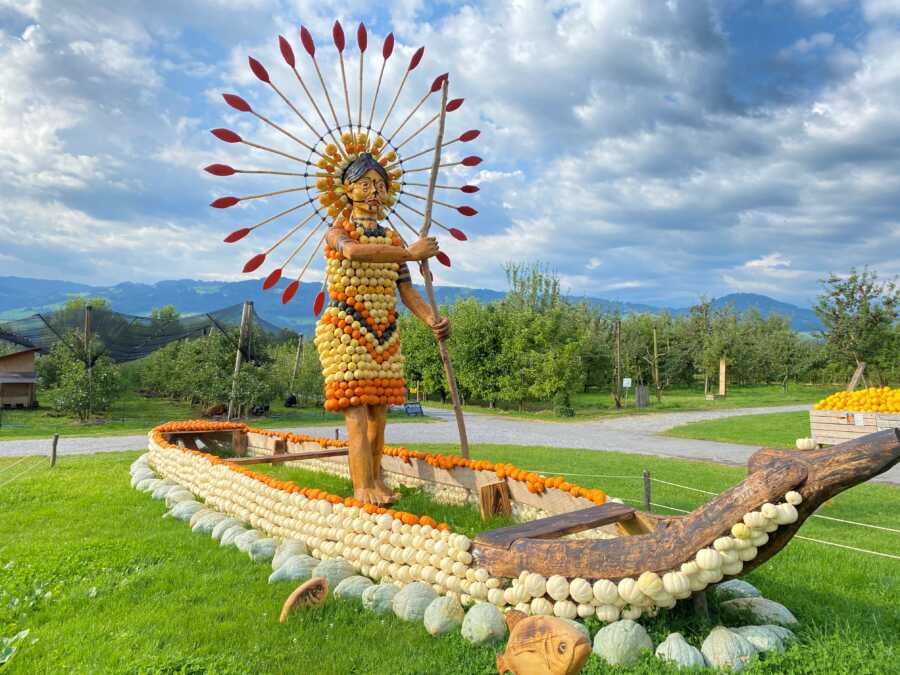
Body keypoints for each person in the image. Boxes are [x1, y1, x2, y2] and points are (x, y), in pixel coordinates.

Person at [313, 153, 450, 505]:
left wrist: (430, 319)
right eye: (365, 184)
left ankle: (377, 480)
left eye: (379, 185)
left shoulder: (392, 237)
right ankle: (362, 487)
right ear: (348, 189)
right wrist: (409, 253)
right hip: (346, 330)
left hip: (385, 331)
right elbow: (355, 253)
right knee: (357, 410)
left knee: (379, 413)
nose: (373, 191)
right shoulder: (338, 231)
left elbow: (405, 289)